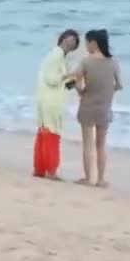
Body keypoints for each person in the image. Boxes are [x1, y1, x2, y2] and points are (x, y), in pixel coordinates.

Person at [69, 29, 123, 187]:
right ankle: (100, 179)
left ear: (93, 43)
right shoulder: (113, 62)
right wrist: (108, 92)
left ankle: (88, 179)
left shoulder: (86, 62)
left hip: (87, 107)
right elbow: (119, 85)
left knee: (87, 144)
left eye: (86, 43)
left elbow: (76, 82)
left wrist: (80, 91)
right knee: (101, 146)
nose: (86, 46)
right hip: (104, 108)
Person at [33, 29, 80, 179]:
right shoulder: (57, 55)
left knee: (43, 133)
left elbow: (63, 84)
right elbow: (52, 80)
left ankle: (40, 169)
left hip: (45, 99)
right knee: (52, 135)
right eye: (69, 39)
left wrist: (75, 83)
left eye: (74, 41)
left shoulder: (58, 56)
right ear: (62, 39)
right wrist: (68, 74)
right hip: (51, 101)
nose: (70, 42)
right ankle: (51, 171)